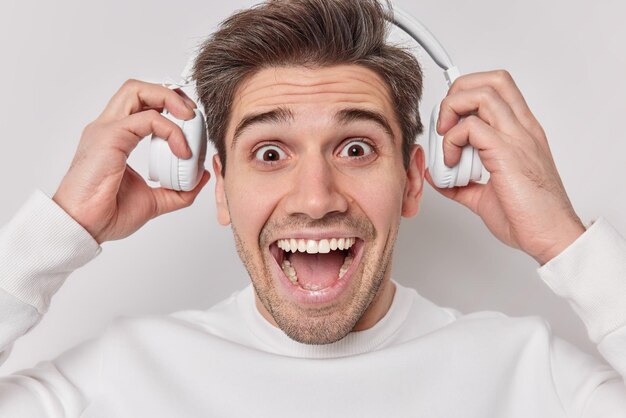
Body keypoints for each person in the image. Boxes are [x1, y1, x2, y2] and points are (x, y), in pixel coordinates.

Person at [1, 0, 625, 416]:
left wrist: (565, 243)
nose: (315, 197)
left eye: (355, 147)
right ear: (219, 185)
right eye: (270, 153)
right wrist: (61, 228)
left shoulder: (529, 376)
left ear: (414, 179)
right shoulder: (119, 376)